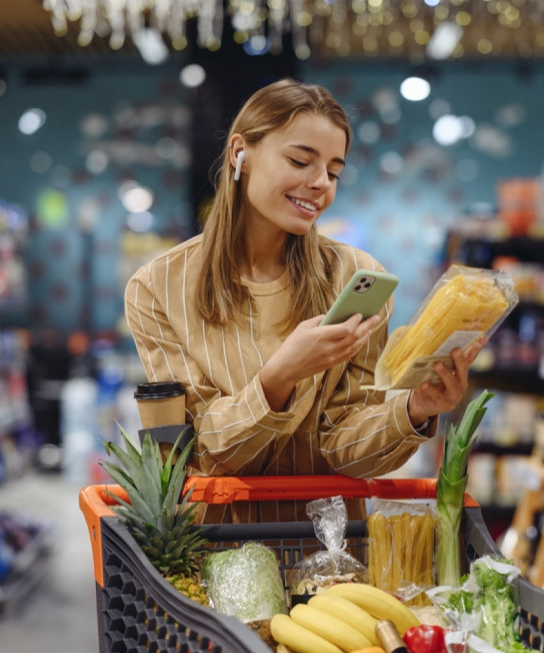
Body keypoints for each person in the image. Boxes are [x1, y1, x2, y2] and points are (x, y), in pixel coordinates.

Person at [125, 78, 486, 523]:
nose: (320, 184)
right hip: (215, 555)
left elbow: (344, 449)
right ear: (240, 152)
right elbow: (201, 452)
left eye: (334, 172)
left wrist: (413, 410)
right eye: (300, 161)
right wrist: (280, 376)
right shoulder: (157, 288)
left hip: (333, 552)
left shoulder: (356, 279)